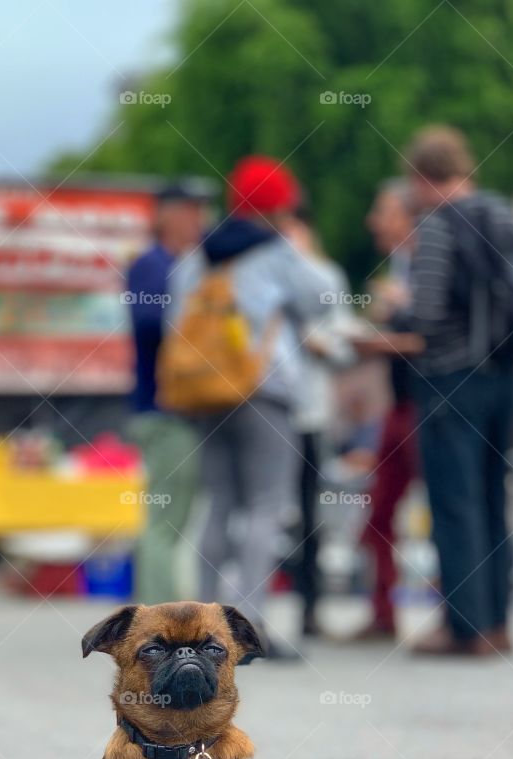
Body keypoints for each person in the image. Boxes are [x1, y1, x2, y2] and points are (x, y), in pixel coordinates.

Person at [168, 156, 332, 657]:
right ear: (278, 208)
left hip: (204, 396)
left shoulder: (197, 255)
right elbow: (323, 299)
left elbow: (174, 315)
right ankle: (245, 629)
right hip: (264, 391)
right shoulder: (276, 251)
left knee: (217, 504)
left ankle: (195, 628)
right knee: (265, 506)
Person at [405, 127, 513, 657]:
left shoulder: (436, 224)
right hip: (506, 375)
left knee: (455, 504)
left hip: (452, 379)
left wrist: (391, 316)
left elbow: (427, 314)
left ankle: (463, 628)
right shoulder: (503, 212)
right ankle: (498, 624)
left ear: (419, 176)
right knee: (494, 500)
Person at [346, 179, 425, 640]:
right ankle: (383, 613)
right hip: (401, 407)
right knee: (378, 513)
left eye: (383, 211)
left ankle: (465, 619)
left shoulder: (427, 268)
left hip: (427, 408)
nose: (374, 221)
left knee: (445, 512)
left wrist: (381, 332)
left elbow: (429, 337)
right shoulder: (402, 266)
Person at [125, 184, 207, 603]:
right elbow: (148, 322)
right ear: (169, 216)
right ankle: (160, 615)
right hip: (163, 410)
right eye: (194, 211)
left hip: (177, 410)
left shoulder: (182, 265)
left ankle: (163, 609)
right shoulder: (152, 265)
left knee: (176, 517)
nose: (202, 221)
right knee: (165, 519)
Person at [286, 198, 358, 638]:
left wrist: (319, 344)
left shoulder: (327, 276)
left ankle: (309, 609)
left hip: (309, 413)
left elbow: (346, 341)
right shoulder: (259, 275)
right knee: (261, 512)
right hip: (261, 411)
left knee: (309, 512)